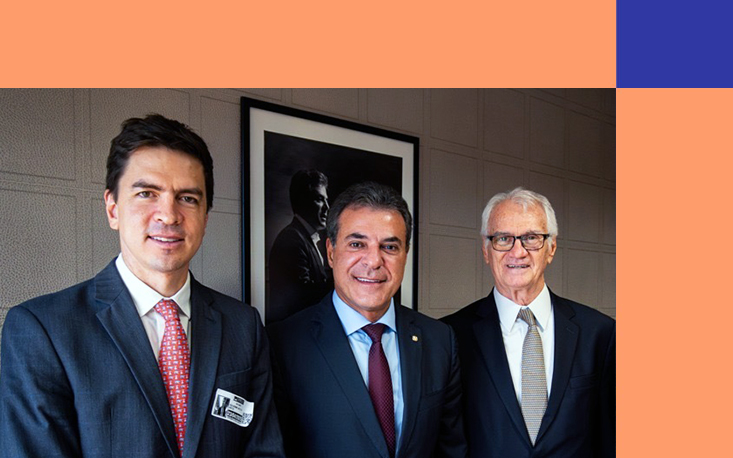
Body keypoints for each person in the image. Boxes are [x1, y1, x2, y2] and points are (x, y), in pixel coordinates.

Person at [0, 114, 285, 458]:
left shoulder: (243, 325)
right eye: (147, 193)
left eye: (188, 198)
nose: (169, 215)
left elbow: (263, 450)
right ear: (113, 209)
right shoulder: (43, 329)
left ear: (205, 218)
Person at [268, 182, 467, 458]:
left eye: (389, 246)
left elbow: (452, 450)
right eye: (357, 244)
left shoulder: (440, 340)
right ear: (330, 252)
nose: (374, 261)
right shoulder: (283, 345)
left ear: (405, 256)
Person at [442, 187, 615, 458]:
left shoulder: (600, 333)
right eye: (503, 239)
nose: (518, 252)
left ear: (551, 248)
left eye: (531, 238)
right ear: (486, 251)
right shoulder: (449, 336)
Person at [267, 169, 332, 324]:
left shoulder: (303, 237)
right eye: (319, 199)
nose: (327, 207)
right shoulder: (291, 240)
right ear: (302, 201)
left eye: (326, 200)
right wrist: (341, 279)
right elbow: (303, 297)